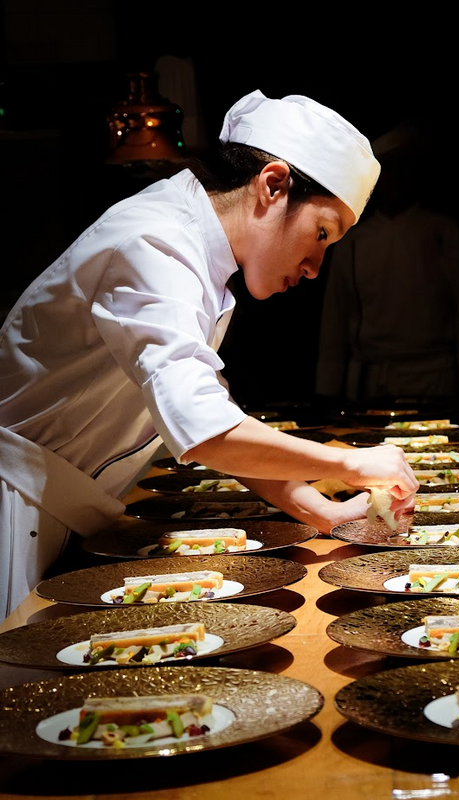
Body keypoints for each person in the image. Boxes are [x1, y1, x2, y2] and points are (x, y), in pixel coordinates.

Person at [0, 89, 419, 619]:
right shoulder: (155, 241)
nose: (315, 267)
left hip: (57, 505)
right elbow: (204, 430)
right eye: (320, 233)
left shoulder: (191, 243)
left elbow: (215, 414)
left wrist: (322, 512)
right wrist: (349, 462)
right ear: (272, 185)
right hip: (12, 504)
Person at [315, 120, 459, 407]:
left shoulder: (443, 231)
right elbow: (336, 315)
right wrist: (328, 388)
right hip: (369, 379)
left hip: (435, 376)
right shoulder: (353, 239)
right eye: (389, 169)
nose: (397, 178)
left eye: (404, 168)